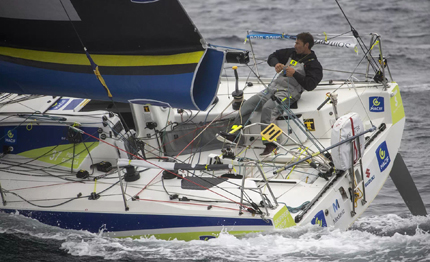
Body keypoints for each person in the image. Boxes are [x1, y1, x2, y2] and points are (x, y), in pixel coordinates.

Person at [218, 32, 323, 155]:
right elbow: (272, 56)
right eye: (295, 42)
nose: (295, 45)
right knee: (247, 106)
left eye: (297, 43)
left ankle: (271, 144)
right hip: (272, 88)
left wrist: (295, 74)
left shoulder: (314, 65)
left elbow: (310, 85)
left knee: (268, 109)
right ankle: (234, 136)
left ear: (306, 45)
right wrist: (276, 64)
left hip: (288, 93)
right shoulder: (291, 53)